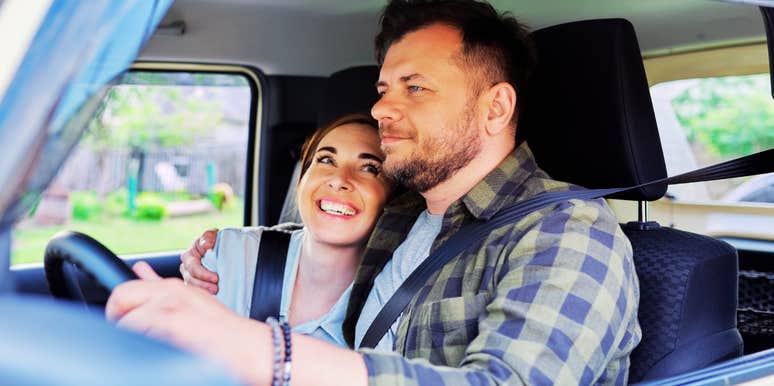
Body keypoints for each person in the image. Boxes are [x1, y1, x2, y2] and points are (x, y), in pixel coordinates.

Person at [106, 1, 641, 385]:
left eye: (416, 87)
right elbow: (323, 223)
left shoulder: (567, 232)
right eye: (385, 89)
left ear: (495, 108)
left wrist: (265, 353)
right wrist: (220, 247)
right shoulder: (408, 212)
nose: (382, 108)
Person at [183, 113, 393, 347]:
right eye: (326, 160)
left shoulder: (393, 306)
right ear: (302, 177)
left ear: (394, 199)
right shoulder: (232, 254)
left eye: (370, 168)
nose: (339, 179)